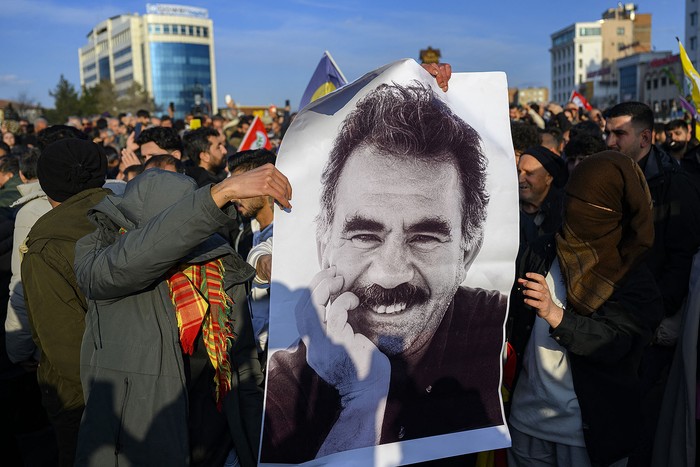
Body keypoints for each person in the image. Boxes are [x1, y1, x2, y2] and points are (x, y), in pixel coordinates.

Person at [261, 81, 507, 463]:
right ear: (323, 248)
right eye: (364, 235)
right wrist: (361, 399)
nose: (391, 275)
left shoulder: (497, 329)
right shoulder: (286, 391)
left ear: (468, 253)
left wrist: (443, 87)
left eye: (425, 237)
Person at [73, 165, 292, 466]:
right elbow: (145, 252)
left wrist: (259, 448)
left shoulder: (217, 267)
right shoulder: (104, 256)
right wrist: (221, 192)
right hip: (137, 447)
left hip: (217, 444)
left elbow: (242, 368)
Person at [509, 151, 663, 466]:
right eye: (571, 198)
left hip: (587, 436)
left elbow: (617, 342)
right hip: (527, 423)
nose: (572, 210)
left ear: (610, 211)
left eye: (586, 204)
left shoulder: (633, 275)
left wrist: (557, 316)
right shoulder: (543, 249)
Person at [21, 139, 111, 466]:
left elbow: (65, 348)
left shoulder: (45, 248)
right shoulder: (135, 217)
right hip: (153, 387)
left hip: (87, 404)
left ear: (45, 187)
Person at [518, 146, 568, 246]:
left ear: (548, 178)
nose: (520, 179)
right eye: (519, 172)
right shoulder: (507, 207)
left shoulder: (563, 213)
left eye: (529, 173)